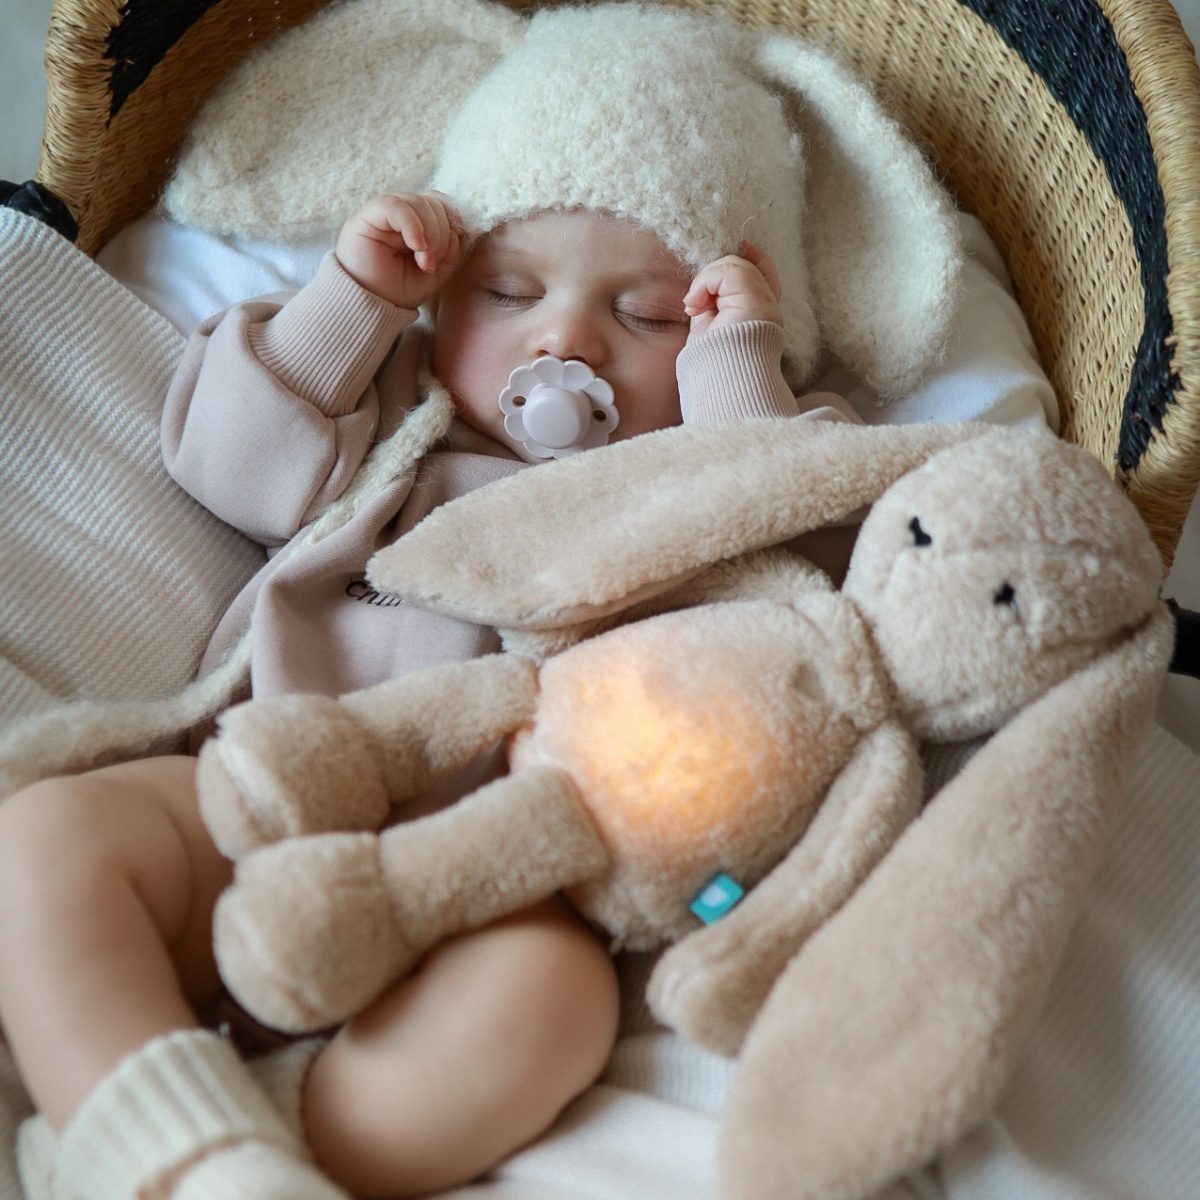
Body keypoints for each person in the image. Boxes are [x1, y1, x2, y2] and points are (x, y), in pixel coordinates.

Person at [0, 5, 963, 1197]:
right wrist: (351, 300)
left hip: (492, 878)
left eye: (647, 315)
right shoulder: (395, 412)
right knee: (48, 842)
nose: (564, 337)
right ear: (445, 295)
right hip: (267, 783)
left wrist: (736, 384)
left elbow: (815, 587)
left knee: (552, 1005)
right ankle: (166, 1141)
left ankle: (258, 1154)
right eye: (508, 289)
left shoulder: (695, 474)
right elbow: (226, 463)